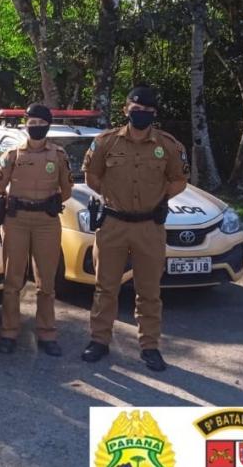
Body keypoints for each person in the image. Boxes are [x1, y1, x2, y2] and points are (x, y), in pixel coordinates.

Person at [80, 85, 189, 372]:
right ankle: (99, 341)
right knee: (106, 288)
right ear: (126, 110)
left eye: (147, 112)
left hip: (149, 226)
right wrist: (114, 195)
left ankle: (150, 346)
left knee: (149, 291)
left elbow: (179, 180)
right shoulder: (106, 142)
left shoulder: (167, 144)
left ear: (154, 114)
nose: (140, 115)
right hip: (113, 224)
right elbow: (92, 175)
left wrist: (159, 198)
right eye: (136, 110)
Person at [0, 103, 73, 356]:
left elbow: (67, 190)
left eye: (41, 123)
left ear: (48, 126)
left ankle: (47, 333)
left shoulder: (59, 155)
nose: (36, 127)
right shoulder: (12, 155)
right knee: (12, 280)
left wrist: (51, 199)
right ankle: (9, 332)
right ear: (26, 124)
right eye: (32, 123)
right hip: (17, 220)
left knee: (46, 282)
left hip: (46, 222)